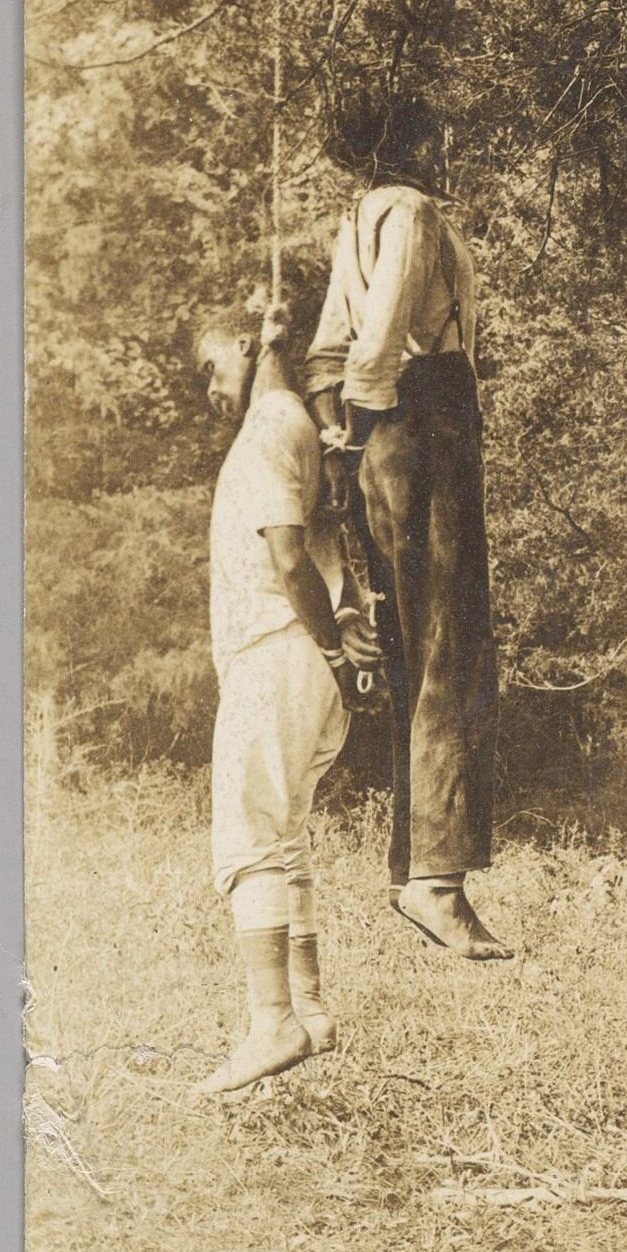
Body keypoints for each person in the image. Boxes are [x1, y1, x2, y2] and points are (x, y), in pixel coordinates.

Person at [305, 88, 508, 957]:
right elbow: (378, 335)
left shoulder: (354, 220)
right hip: (422, 416)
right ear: (409, 137)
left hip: (387, 423)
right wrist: (373, 414)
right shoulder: (414, 210)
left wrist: (339, 430)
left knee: (414, 640)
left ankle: (416, 867)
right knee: (447, 643)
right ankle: (437, 882)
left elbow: (328, 347)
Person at [193, 288, 384, 1097]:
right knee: (286, 832)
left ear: (249, 340)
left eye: (210, 368)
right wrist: (339, 644)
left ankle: (271, 1020)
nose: (209, 391)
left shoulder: (272, 428)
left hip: (278, 651)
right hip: (300, 656)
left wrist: (336, 646)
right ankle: (307, 1008)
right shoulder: (302, 431)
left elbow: (287, 557)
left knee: (248, 832)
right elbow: (323, 547)